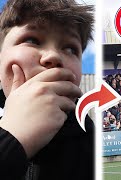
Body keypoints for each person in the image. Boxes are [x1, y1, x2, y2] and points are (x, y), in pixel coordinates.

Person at [0, 0, 94, 179]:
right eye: (31, 40)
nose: (54, 56)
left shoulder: (92, 146)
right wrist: (11, 139)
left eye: (70, 48)